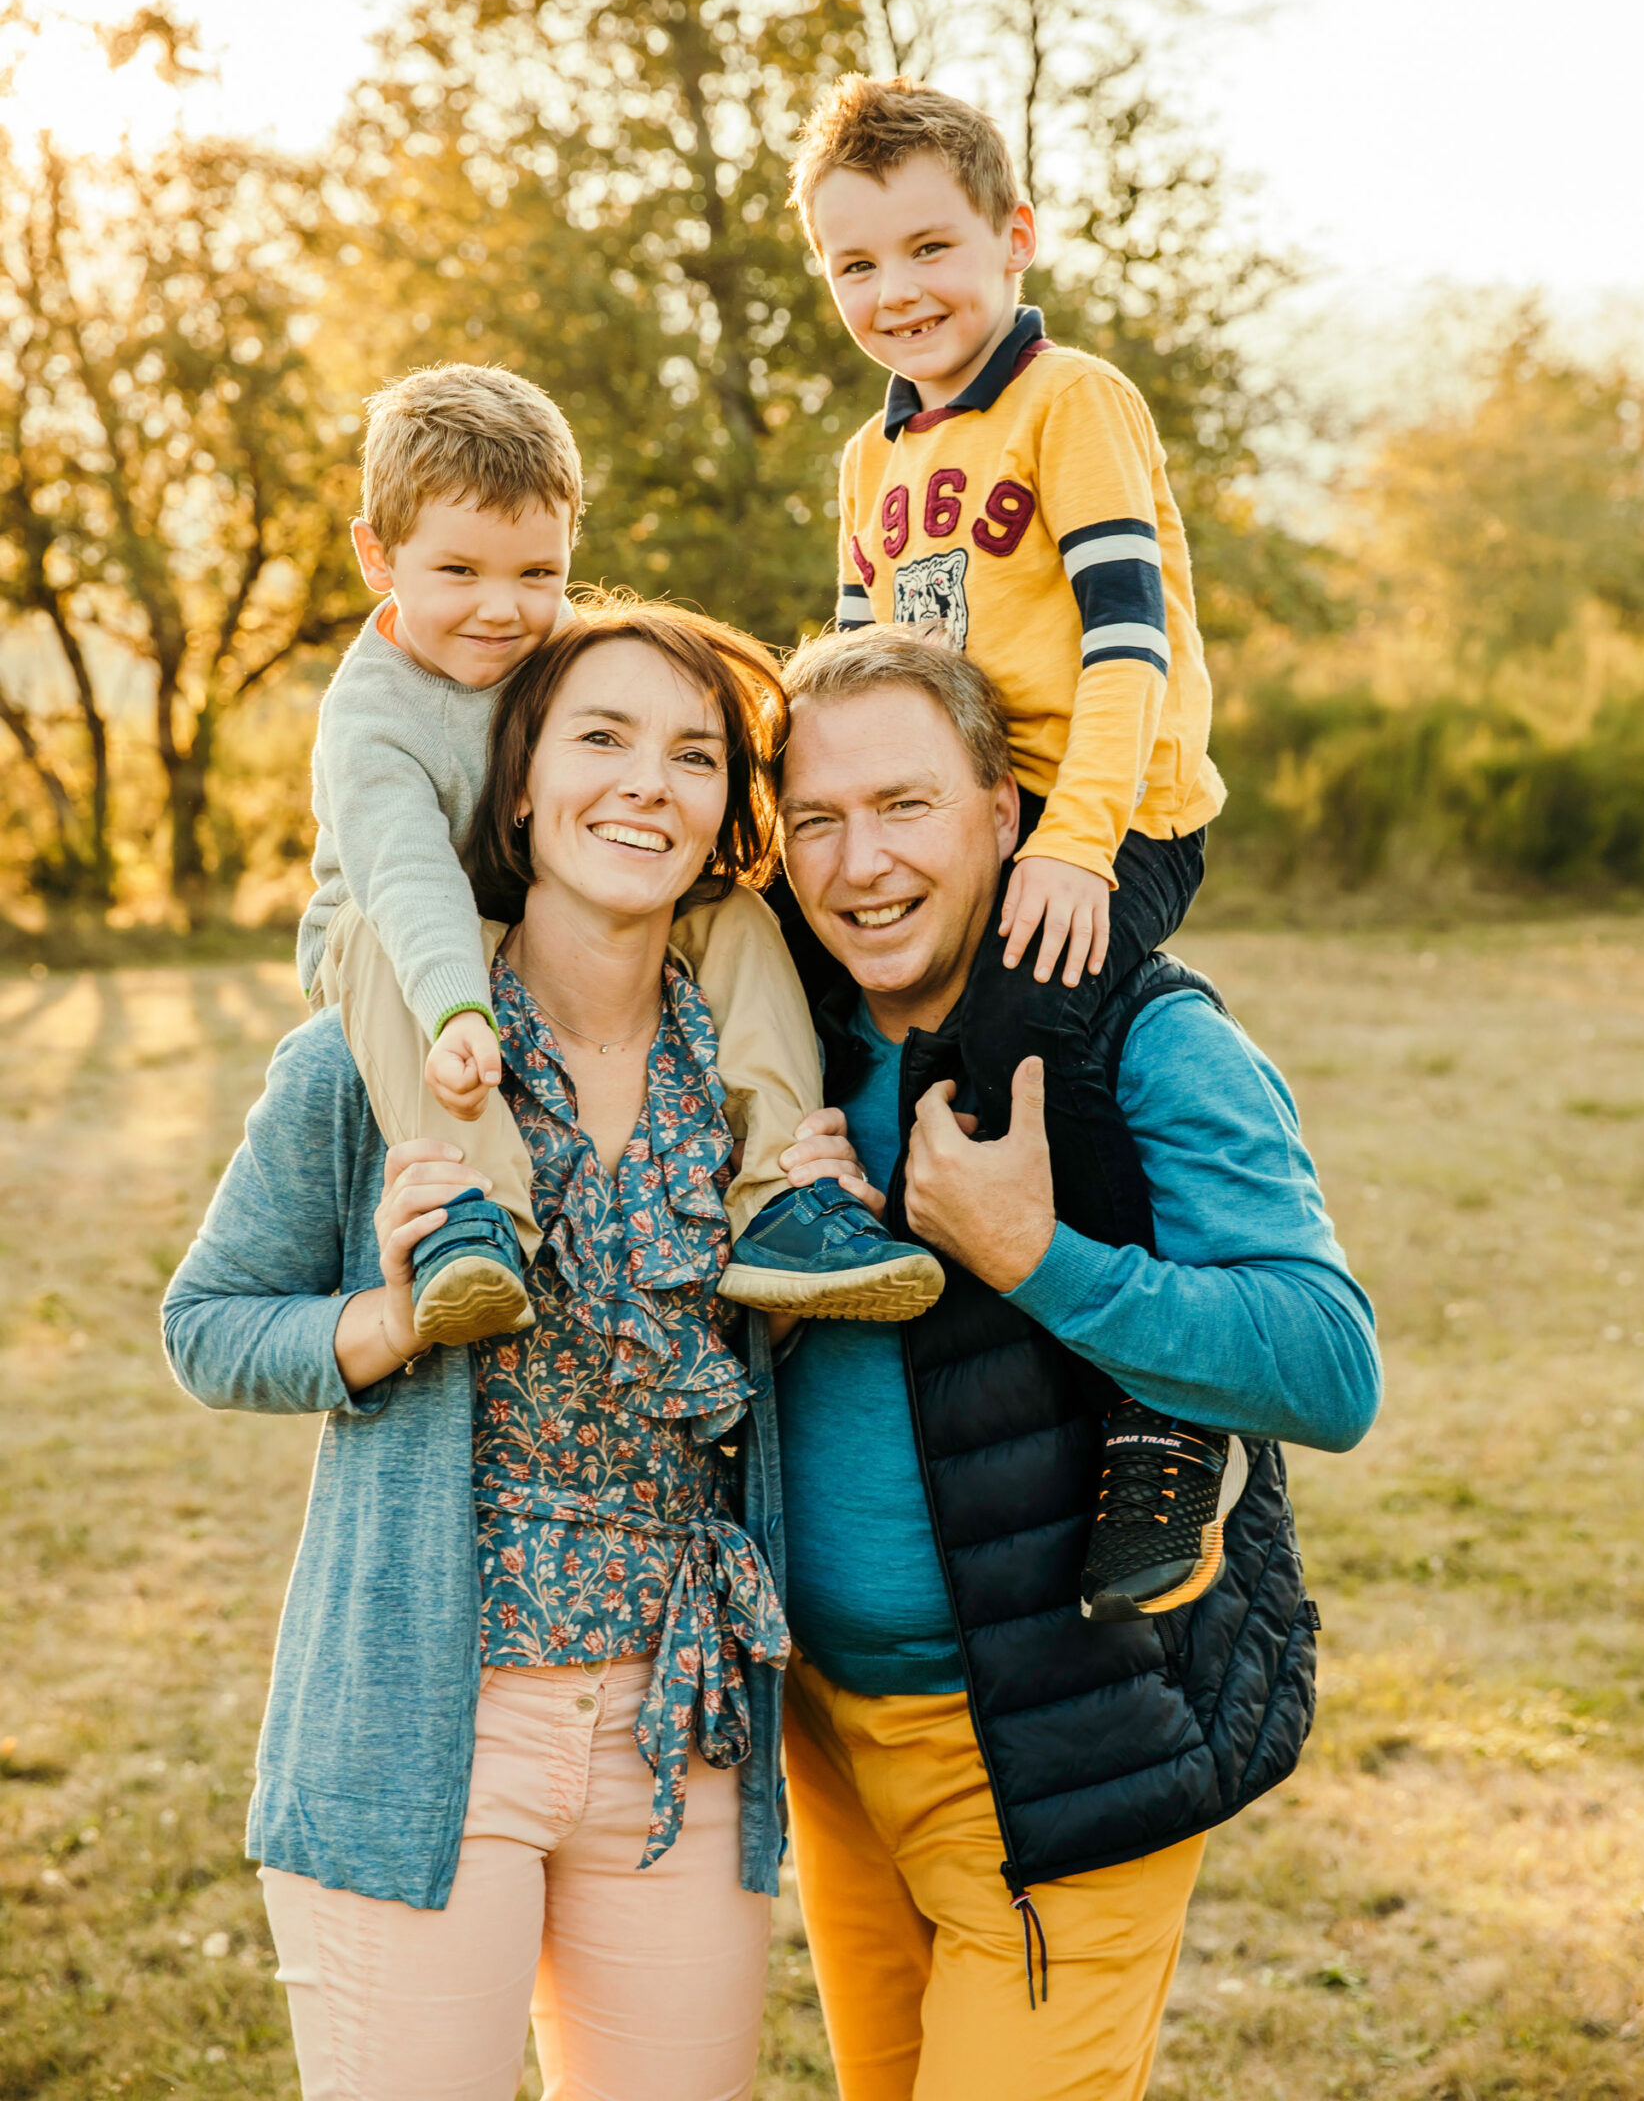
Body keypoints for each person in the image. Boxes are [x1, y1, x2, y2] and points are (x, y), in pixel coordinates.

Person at [162, 601, 802, 2101]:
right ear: (517, 784)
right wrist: (384, 1320)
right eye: (600, 738)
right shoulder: (373, 1049)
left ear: (720, 811)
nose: (646, 780)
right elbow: (205, 1325)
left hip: (683, 1725)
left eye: (692, 754)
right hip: (427, 1723)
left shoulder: (763, 1072)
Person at [765, 625, 1382, 2101]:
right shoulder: (773, 1035)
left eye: (904, 805)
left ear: (1003, 812)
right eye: (814, 821)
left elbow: (1324, 1364)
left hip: (1052, 1758)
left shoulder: (1140, 1039)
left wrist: (1031, 1256)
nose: (859, 865)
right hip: (827, 1749)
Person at [734, 75, 1225, 1610]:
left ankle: (1164, 1421)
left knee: (1024, 1029)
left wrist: (1073, 849)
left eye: (929, 250)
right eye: (853, 267)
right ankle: (804, 1231)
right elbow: (847, 671)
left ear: (1015, 238)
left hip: (1110, 806)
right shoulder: (869, 459)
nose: (894, 293)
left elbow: (1126, 647)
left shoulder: (1068, 401)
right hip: (962, 821)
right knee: (803, 1001)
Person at [298, 361, 943, 1341]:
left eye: (537, 573)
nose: (502, 609)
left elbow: (652, 708)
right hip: (399, 942)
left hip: (532, 908)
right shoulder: (372, 720)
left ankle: (781, 1198)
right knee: (374, 934)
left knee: (729, 915)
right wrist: (458, 1010)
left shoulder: (551, 647)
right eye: (459, 572)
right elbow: (410, 877)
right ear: (378, 557)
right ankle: (476, 1219)